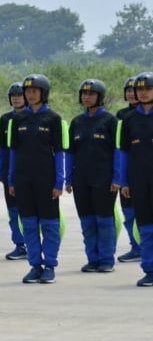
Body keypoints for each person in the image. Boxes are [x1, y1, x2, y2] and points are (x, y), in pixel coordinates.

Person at [8, 74, 65, 284]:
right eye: (27, 91)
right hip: (23, 180)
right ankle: (34, 265)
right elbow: (13, 151)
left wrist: (59, 182)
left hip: (46, 179)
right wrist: (11, 180)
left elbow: (59, 152)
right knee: (29, 225)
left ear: (43, 93)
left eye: (34, 91)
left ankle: (49, 265)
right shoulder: (18, 119)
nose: (30, 95)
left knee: (49, 225)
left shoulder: (53, 119)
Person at [65, 79, 119, 273]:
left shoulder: (110, 121)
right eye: (84, 94)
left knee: (104, 221)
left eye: (91, 94)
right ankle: (92, 259)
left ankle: (106, 259)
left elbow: (117, 152)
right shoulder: (77, 122)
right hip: (81, 180)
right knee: (87, 222)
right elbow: (70, 152)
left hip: (104, 180)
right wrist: (68, 179)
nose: (86, 97)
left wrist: (117, 178)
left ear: (100, 97)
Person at [119, 71, 153, 286]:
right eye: (139, 89)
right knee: (146, 227)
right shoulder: (128, 119)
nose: (143, 93)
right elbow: (122, 152)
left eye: (148, 88)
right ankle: (149, 269)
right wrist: (124, 181)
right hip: (139, 181)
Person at [0, 82, 28, 260]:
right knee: (13, 210)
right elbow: (2, 148)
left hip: (29, 170)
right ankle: (19, 244)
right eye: (13, 95)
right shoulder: (5, 119)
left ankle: (32, 243)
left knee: (30, 211)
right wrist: (1, 171)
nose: (16, 98)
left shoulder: (33, 117)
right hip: (10, 172)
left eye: (19, 95)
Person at [116, 76, 141, 263]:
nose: (132, 93)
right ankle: (136, 247)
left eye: (135, 90)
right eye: (129, 90)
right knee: (129, 211)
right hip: (127, 169)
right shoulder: (121, 116)